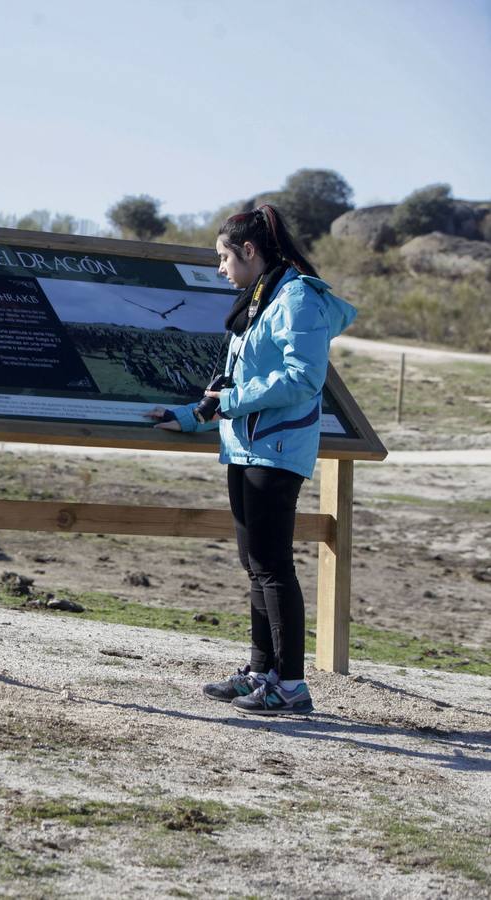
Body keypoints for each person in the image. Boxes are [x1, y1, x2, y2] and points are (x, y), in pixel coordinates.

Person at [145, 204, 356, 715]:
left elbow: (302, 378)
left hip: (277, 448)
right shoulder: (262, 296)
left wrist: (232, 401)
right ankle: (260, 672)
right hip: (245, 446)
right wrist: (188, 415)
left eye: (223, 257)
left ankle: (291, 685)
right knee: (255, 565)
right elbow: (233, 380)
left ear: (249, 250)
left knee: (272, 566)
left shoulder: (297, 298)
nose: (219, 268)